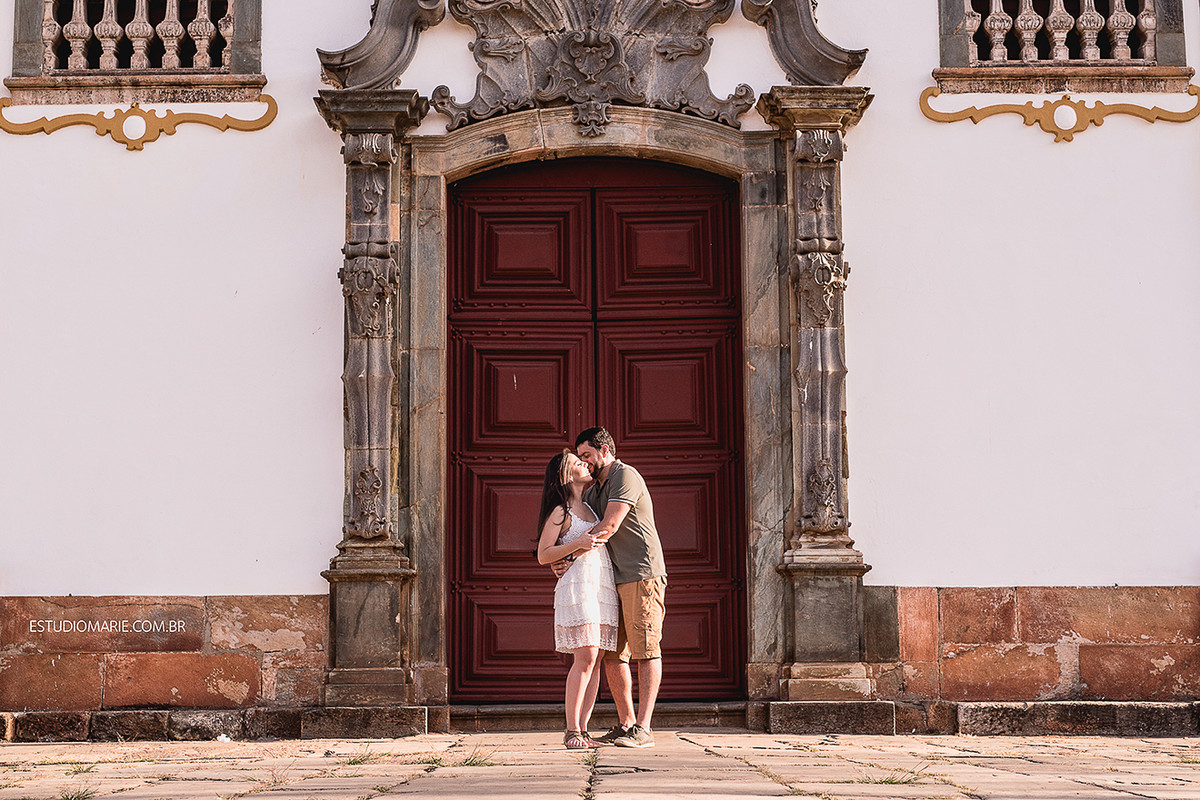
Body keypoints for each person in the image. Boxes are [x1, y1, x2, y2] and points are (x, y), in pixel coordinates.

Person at [574, 426, 667, 749]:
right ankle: (627, 723)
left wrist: (569, 554)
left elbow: (609, 526)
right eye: (579, 458)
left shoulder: (625, 476)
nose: (583, 463)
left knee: (645, 649)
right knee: (613, 655)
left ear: (604, 450)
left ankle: (645, 727)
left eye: (587, 455)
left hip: (641, 574)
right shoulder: (592, 489)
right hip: (611, 578)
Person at [536, 449, 620, 749]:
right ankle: (571, 730)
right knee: (584, 657)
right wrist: (578, 546)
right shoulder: (561, 511)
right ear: (565, 475)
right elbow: (543, 554)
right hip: (578, 587)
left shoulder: (593, 509)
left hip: (600, 585)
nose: (584, 464)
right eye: (577, 463)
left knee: (595, 659)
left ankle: (584, 730)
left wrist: (575, 549)